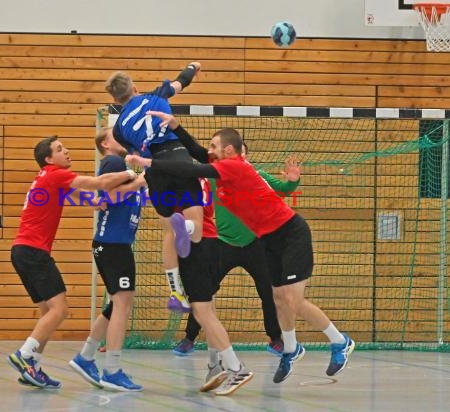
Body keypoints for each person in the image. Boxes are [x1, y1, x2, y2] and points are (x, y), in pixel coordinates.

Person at [126, 113, 355, 384]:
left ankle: (340, 341)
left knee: (294, 300)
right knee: (279, 298)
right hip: (268, 239)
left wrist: (149, 162)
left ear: (230, 150)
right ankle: (292, 350)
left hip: (290, 233)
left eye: (213, 146)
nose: (208, 151)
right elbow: (197, 153)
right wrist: (176, 126)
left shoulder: (236, 166)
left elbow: (193, 168)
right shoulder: (224, 166)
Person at [7, 135, 139, 389]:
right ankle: (24, 355)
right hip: (33, 252)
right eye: (59, 149)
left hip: (22, 251)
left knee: (48, 311)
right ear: (48, 159)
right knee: (60, 310)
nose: (66, 151)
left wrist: (99, 204)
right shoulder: (55, 174)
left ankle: (32, 364)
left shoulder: (48, 179)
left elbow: (87, 198)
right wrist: (134, 175)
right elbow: (99, 183)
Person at [173, 145, 301, 357]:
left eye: (241, 152)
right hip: (224, 243)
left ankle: (275, 339)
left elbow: (283, 189)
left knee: (269, 292)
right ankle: (189, 338)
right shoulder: (215, 178)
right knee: (204, 290)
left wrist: (292, 180)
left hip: (256, 243)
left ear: (246, 156)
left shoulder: (257, 176)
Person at [105, 63, 203, 313]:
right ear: (135, 88)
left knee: (169, 232)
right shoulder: (157, 95)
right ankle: (187, 225)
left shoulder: (118, 129)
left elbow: (137, 151)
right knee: (196, 231)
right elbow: (183, 80)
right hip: (178, 157)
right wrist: (194, 66)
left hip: (154, 168)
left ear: (115, 99)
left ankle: (175, 293)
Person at [69, 128, 146, 392]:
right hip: (113, 245)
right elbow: (107, 198)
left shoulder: (122, 164)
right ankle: (112, 370)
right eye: (115, 135)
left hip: (116, 244)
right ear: (105, 143)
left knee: (116, 304)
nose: (121, 138)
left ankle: (86, 356)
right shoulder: (113, 162)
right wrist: (138, 182)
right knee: (122, 304)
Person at [175, 176, 254, 396]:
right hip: (212, 244)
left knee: (202, 311)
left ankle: (236, 368)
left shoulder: (179, 182)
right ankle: (214, 365)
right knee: (208, 309)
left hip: (196, 246)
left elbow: (192, 224)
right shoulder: (198, 178)